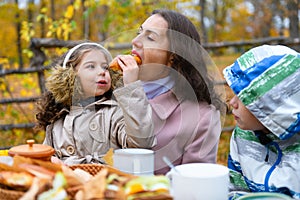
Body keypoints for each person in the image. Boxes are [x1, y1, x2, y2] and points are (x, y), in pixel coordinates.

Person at [112, 9, 226, 174]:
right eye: (139, 32)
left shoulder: (203, 118)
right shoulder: (111, 92)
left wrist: (131, 90)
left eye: (150, 37)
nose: (135, 41)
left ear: (173, 56)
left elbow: (194, 186)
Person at [35, 42, 156, 165]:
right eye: (91, 66)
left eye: (105, 67)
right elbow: (45, 161)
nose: (102, 72)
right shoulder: (57, 121)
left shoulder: (114, 113)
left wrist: (131, 87)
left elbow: (142, 144)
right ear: (70, 76)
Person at [223, 44, 300, 199]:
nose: (232, 102)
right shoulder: (242, 136)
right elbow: (234, 188)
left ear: (273, 103)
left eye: (244, 97)